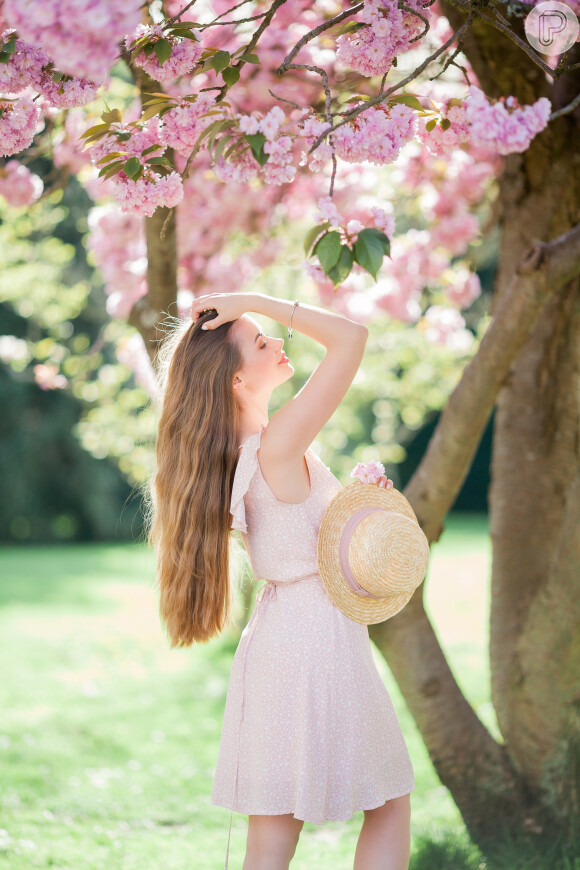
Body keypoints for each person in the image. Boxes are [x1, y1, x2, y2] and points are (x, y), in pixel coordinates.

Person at [146, 292, 414, 870]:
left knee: (271, 837)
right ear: (238, 381)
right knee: (389, 801)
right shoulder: (278, 444)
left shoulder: (247, 452)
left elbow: (305, 539)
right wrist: (251, 300)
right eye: (261, 342)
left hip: (280, 640)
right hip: (316, 639)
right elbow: (351, 339)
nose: (278, 342)